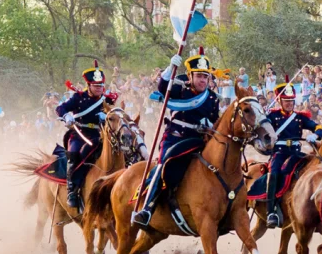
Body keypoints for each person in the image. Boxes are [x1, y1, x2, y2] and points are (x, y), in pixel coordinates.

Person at [132, 47, 220, 227]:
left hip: (200, 141)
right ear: (190, 76)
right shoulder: (179, 89)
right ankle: (148, 208)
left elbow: (216, 121)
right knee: (164, 166)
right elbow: (163, 87)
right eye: (199, 76)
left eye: (205, 77)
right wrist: (169, 70)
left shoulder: (212, 98)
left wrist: (211, 126)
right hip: (176, 138)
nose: (202, 80)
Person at [264, 75, 322, 228]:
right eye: (286, 101)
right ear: (279, 101)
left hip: (296, 153)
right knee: (274, 172)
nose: (290, 104)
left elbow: (318, 127)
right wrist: (263, 118)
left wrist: (315, 134)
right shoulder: (272, 116)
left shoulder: (299, 118)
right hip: (280, 153)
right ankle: (271, 210)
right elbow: (262, 131)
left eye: (291, 101)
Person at [56, 61, 117, 209]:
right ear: (88, 85)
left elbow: (115, 113)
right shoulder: (78, 98)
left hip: (99, 134)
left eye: (101, 86)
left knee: (121, 151)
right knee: (75, 154)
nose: (99, 89)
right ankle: (72, 189)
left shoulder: (106, 99)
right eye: (96, 86)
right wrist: (66, 116)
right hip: (80, 134)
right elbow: (60, 108)